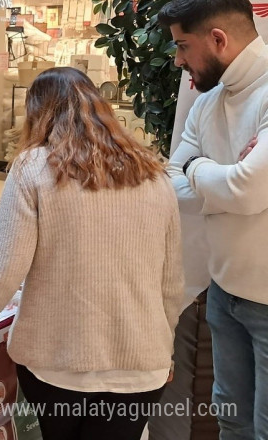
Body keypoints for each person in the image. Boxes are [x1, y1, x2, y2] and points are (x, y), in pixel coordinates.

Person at [0, 67, 184, 440]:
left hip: (59, 365)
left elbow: (2, 269)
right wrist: (164, 345)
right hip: (141, 367)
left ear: (37, 114)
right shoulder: (155, 174)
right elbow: (171, 283)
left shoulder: (34, 167)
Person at [160, 1, 268, 438]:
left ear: (218, 39)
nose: (179, 60)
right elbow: (172, 180)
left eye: (183, 46)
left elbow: (246, 190)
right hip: (225, 293)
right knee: (230, 420)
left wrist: (201, 169)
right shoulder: (208, 104)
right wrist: (225, 180)